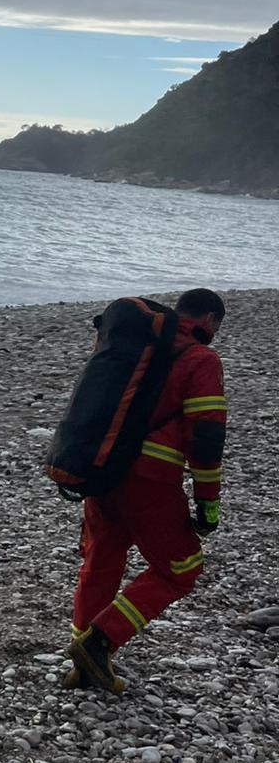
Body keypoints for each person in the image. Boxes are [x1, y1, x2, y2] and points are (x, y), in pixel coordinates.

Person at [69, 288, 227, 694]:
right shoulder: (201, 358)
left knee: (102, 557)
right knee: (182, 570)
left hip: (102, 466)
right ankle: (100, 641)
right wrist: (207, 503)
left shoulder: (137, 348)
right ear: (210, 320)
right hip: (150, 478)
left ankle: (83, 662)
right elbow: (206, 439)